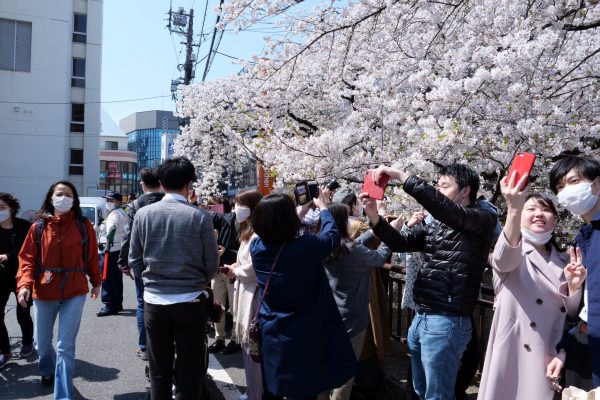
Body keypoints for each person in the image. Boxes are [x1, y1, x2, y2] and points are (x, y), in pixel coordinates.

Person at [361, 163, 496, 400]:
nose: (439, 191)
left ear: (465, 191)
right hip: (422, 316)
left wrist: (403, 176)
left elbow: (448, 211)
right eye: (438, 186)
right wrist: (375, 217)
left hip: (447, 319)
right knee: (421, 391)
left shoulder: (482, 218)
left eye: (445, 186)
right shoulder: (439, 222)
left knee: (438, 395)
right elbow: (401, 243)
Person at [477, 173, 583, 400]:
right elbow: (504, 258)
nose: (539, 214)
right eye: (531, 209)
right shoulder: (511, 251)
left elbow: (573, 314)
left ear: (555, 219)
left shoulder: (566, 260)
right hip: (514, 351)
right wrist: (513, 208)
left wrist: (574, 288)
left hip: (550, 352)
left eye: (545, 210)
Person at [250, 192, 357, 400]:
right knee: (304, 389)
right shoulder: (305, 247)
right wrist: (324, 208)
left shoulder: (257, 248)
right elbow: (332, 238)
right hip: (305, 332)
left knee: (274, 385)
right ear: (290, 220)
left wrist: (303, 209)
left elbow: (279, 229)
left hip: (273, 328)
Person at [129, 156, 219, 399]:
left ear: (161, 181)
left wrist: (149, 281)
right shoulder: (200, 217)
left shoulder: (144, 215)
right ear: (189, 183)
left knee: (159, 369)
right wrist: (199, 281)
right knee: (190, 367)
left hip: (154, 301)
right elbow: (211, 263)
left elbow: (134, 260)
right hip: (190, 301)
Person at [16, 181, 101, 398]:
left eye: (68, 194)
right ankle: (47, 369)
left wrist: (96, 281)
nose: (64, 198)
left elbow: (91, 256)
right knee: (41, 343)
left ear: (74, 200)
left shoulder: (84, 225)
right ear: (51, 198)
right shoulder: (38, 227)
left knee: (65, 345)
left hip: (75, 290)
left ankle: (63, 395)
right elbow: (27, 260)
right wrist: (24, 285)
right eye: (59, 194)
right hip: (44, 291)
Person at [318, 203, 400, 400]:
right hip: (351, 319)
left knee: (325, 368)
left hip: (328, 315)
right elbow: (380, 257)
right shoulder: (351, 252)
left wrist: (375, 232)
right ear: (342, 222)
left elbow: (356, 244)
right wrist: (390, 233)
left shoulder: (325, 245)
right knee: (345, 373)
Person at [546, 155, 600, 391]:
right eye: (559, 187)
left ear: (596, 184)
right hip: (585, 343)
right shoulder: (584, 238)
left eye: (574, 181)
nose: (566, 191)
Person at [221, 189, 264, 400]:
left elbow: (254, 270)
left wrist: (236, 270)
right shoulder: (248, 231)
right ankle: (253, 391)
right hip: (245, 292)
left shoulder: (258, 234)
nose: (237, 209)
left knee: (253, 348)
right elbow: (246, 263)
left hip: (253, 295)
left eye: (241, 204)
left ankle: (256, 394)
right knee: (249, 349)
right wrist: (236, 266)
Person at [118, 167, 164, 361]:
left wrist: (123, 261)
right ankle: (165, 342)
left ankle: (144, 346)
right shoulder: (168, 200)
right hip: (166, 259)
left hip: (143, 262)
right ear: (161, 183)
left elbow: (128, 236)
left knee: (142, 303)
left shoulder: (135, 205)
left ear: (142, 184)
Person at [0, 193, 34, 368]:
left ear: (11, 208)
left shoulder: (24, 226)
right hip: (1, 277)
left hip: (22, 277)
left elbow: (30, 251)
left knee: (23, 313)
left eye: (1, 207)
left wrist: (9, 255)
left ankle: (28, 342)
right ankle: (5, 352)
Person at [209, 197, 242, 355]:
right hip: (217, 271)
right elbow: (203, 215)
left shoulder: (247, 225)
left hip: (234, 272)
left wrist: (227, 252)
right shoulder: (220, 221)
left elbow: (247, 253)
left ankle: (236, 340)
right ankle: (219, 338)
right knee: (218, 307)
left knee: (235, 309)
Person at [97, 192, 127, 317]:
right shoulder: (122, 212)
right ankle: (117, 303)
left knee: (107, 278)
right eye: (107, 199)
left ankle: (109, 305)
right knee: (116, 278)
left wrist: (106, 245)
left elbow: (111, 229)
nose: (107, 201)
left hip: (109, 249)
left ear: (118, 201)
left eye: (110, 199)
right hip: (117, 249)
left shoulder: (114, 214)